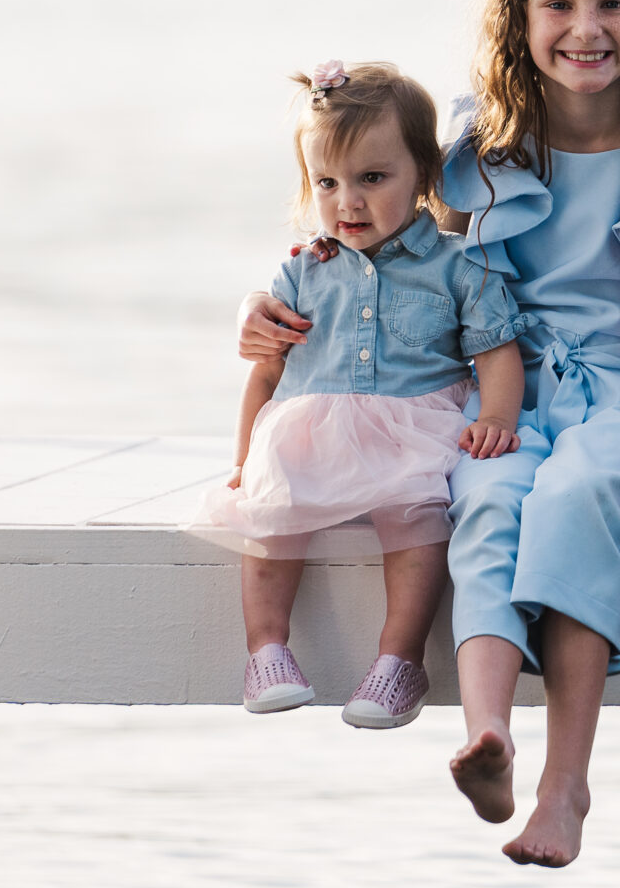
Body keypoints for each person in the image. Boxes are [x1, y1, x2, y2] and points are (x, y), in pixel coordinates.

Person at [241, 0, 620, 869]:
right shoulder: (484, 149)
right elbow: (396, 254)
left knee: (571, 499)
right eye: (558, 3)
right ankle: (488, 738)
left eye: (611, 3)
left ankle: (567, 786)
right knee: (482, 503)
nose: (585, 27)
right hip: (509, 408)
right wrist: (289, 301)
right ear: (521, 20)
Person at [200, 60, 527, 732]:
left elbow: (497, 351)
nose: (347, 201)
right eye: (328, 182)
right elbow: (267, 373)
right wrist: (244, 459)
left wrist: (496, 413)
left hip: (413, 424)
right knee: (268, 512)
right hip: (309, 428)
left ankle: (398, 659)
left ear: (423, 178)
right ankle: (266, 648)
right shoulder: (301, 269)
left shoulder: (455, 263)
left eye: (372, 179)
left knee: (414, 515)